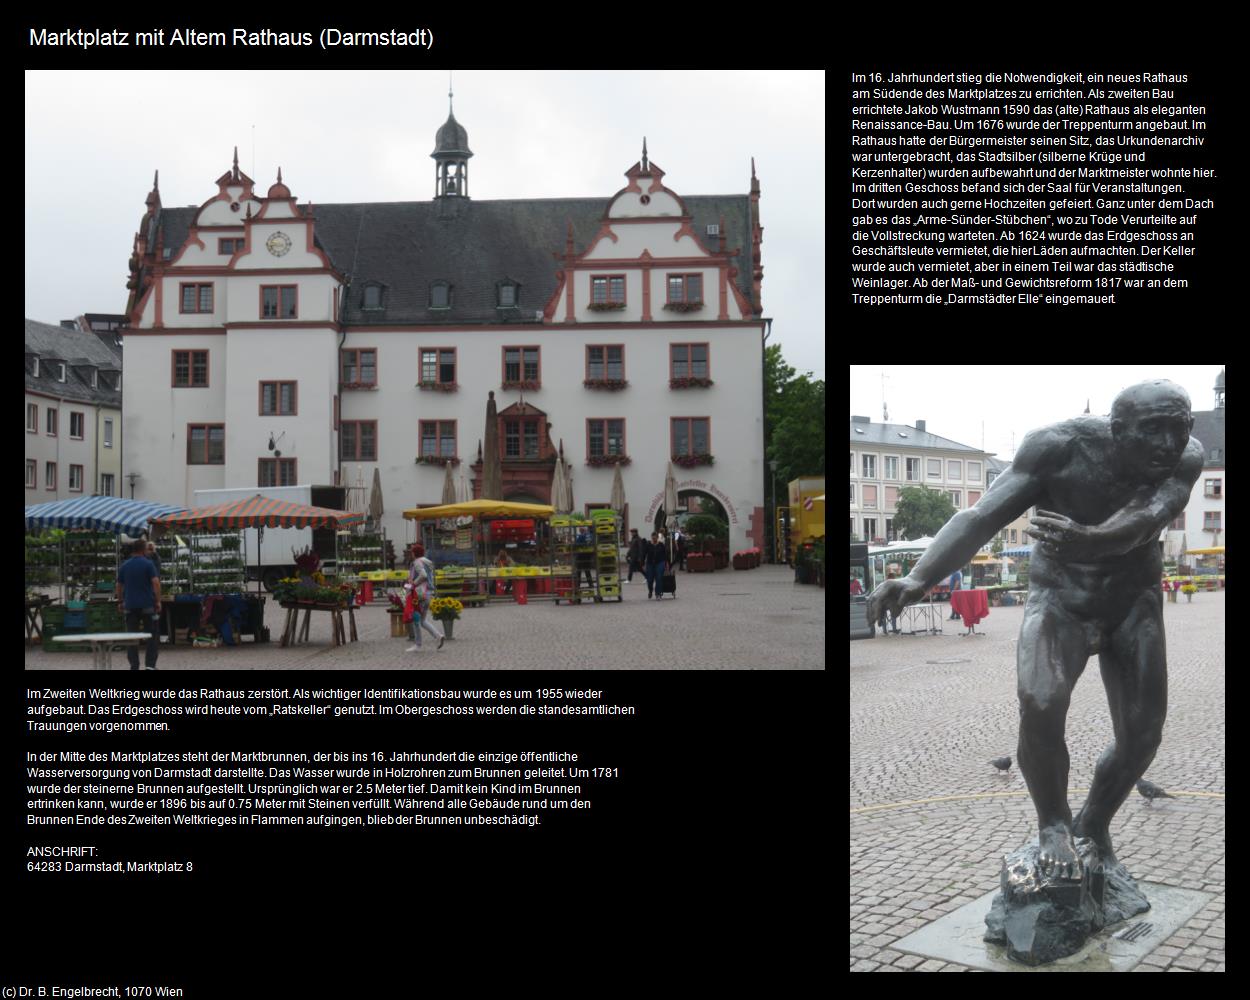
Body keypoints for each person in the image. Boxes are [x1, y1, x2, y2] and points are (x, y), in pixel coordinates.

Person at [869, 380, 1203, 880]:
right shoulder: (1058, 448)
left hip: (1134, 601)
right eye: (1151, 431)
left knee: (1142, 735)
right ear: (1117, 430)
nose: (1165, 445)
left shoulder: (1187, 457)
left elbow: (1149, 516)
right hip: (1060, 602)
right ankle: (1053, 826)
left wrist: (1090, 540)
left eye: (1176, 430)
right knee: (1041, 702)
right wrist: (919, 577)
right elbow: (981, 515)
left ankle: (1093, 824)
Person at [115, 538, 161, 670]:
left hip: (130, 605)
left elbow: (119, 585)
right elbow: (156, 583)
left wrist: (120, 601)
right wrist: (157, 600)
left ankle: (134, 666)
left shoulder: (125, 565)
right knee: (152, 636)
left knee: (131, 637)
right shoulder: (148, 564)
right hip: (147, 605)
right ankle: (150, 666)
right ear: (143, 550)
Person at [404, 543, 444, 653]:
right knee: (422, 620)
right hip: (428, 594)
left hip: (419, 595)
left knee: (416, 620)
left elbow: (423, 575)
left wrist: (413, 584)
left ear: (415, 553)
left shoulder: (417, 562)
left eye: (412, 552)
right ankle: (438, 636)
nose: (411, 554)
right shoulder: (427, 562)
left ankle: (418, 644)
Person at [645, 531, 668, 599]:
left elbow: (665, 555)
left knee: (659, 578)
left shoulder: (661, 545)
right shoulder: (648, 545)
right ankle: (650, 590)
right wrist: (642, 562)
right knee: (649, 579)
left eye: (655, 538)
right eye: (653, 538)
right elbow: (644, 554)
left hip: (660, 563)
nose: (654, 540)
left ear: (657, 538)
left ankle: (658, 594)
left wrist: (666, 563)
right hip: (650, 563)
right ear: (651, 538)